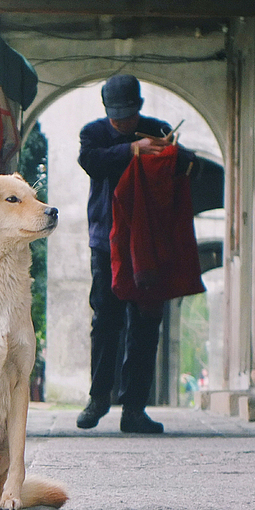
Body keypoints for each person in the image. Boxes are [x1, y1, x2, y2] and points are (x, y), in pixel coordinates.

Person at [76, 74, 172, 434]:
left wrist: (164, 149)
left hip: (148, 242)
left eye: (127, 115)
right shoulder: (94, 134)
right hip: (107, 241)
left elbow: (175, 171)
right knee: (105, 322)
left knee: (146, 324)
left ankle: (134, 407)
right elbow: (91, 162)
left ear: (139, 108)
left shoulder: (156, 130)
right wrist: (131, 149)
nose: (121, 122)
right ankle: (98, 398)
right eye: (115, 115)